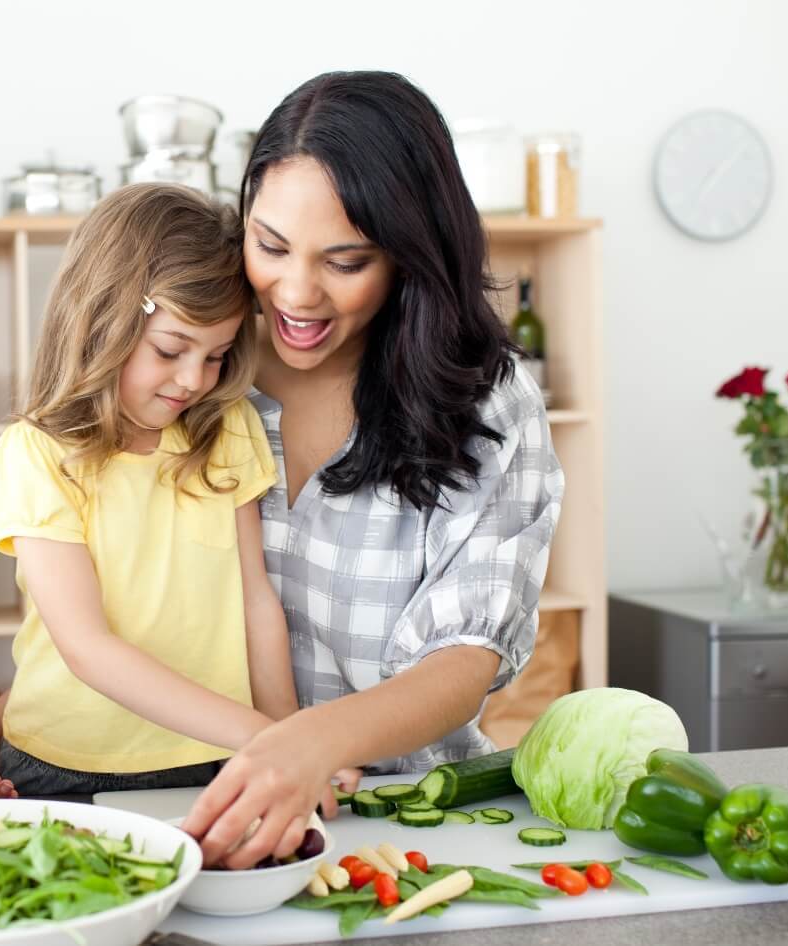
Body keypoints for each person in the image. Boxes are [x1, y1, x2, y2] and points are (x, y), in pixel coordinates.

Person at [180, 71, 566, 867]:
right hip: (195, 812)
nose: (296, 292)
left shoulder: (488, 404)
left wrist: (308, 745)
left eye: (345, 261)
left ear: (411, 253)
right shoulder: (196, 371)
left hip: (412, 827)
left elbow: (463, 659)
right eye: (270, 245)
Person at [0, 184, 307, 795]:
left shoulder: (224, 427)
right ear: (101, 321)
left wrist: (290, 739)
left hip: (217, 757)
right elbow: (87, 648)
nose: (193, 380)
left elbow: (256, 602)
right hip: (65, 766)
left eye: (215, 356)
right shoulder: (36, 453)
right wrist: (264, 737)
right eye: (171, 349)